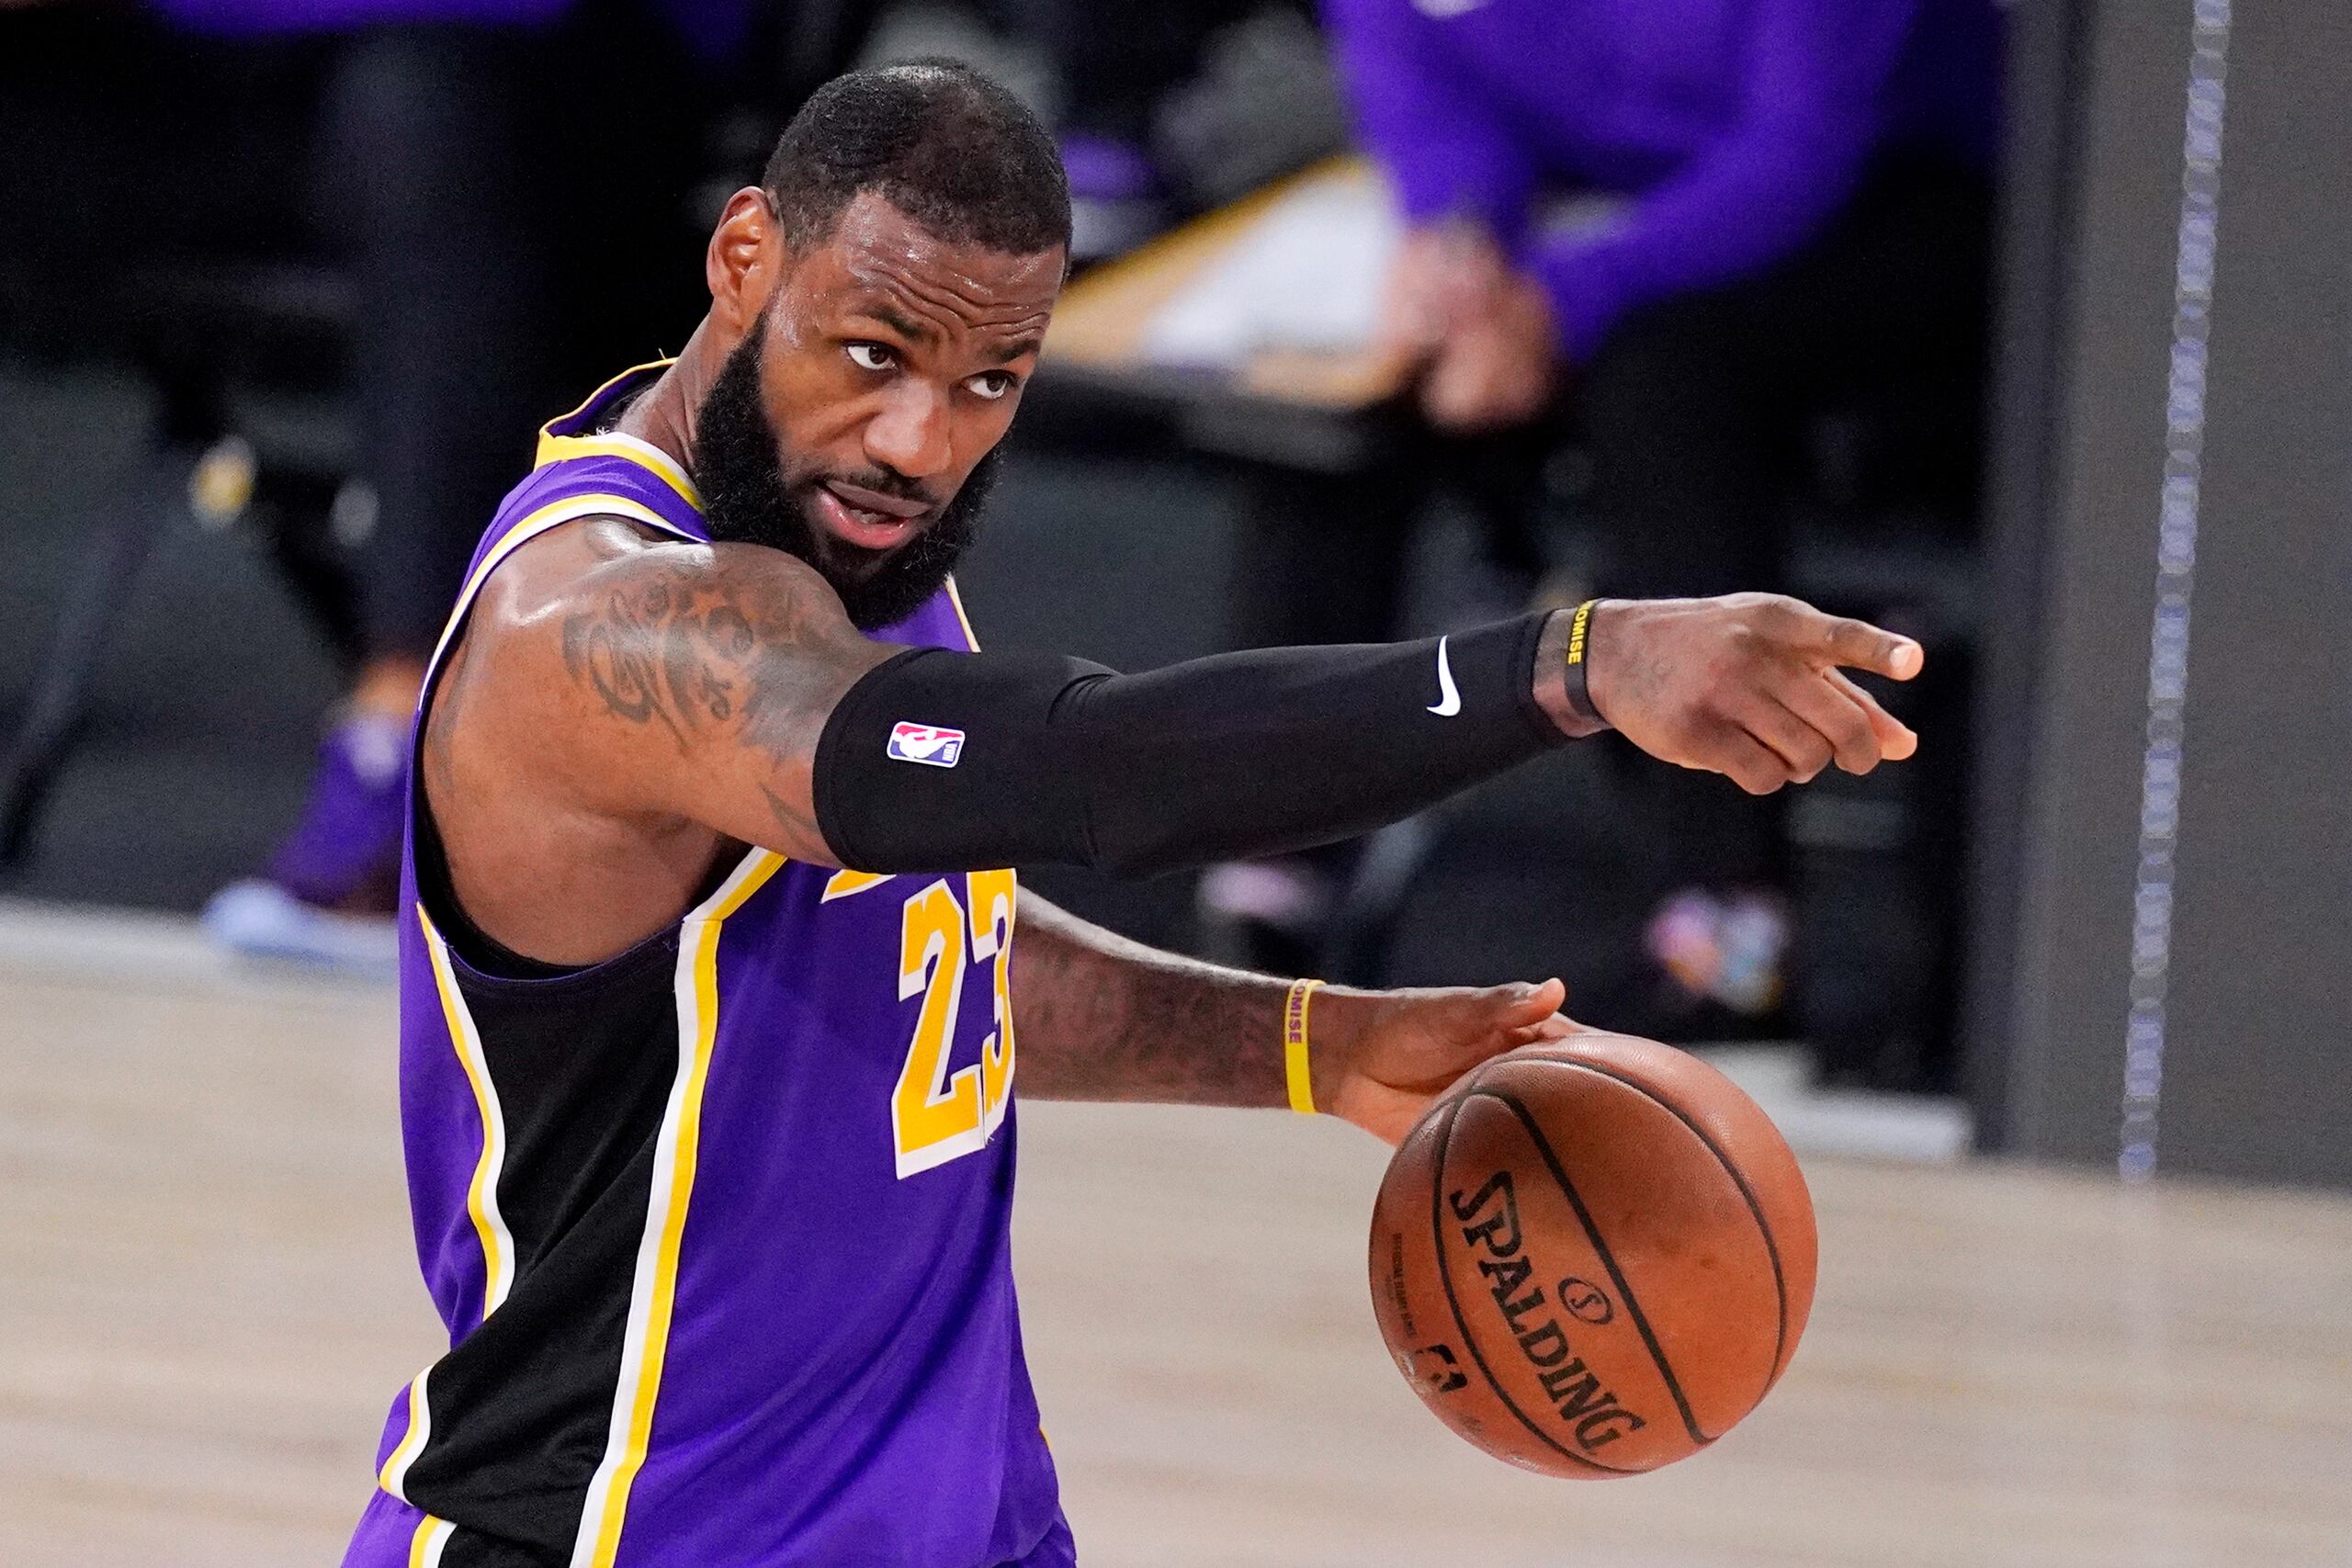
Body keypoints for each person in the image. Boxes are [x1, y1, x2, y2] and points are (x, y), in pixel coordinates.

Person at [343, 61, 1923, 1567]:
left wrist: (1312, 1042)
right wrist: (1566, 668)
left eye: (989, 383)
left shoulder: (840, 536)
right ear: (745, 258)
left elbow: (921, 963)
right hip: (628, 1527)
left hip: (958, 1517)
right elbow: (1093, 766)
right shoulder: (608, 627)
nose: (919, 441)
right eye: (875, 354)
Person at [1231, 0, 1998, 1022]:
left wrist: (1551, 305)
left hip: (1908, 195)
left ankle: (1728, 928)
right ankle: (1270, 860)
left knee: (1663, 383)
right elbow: (1439, 104)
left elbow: (1796, 149)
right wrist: (1459, 255)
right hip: (1616, 215)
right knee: (1344, 383)